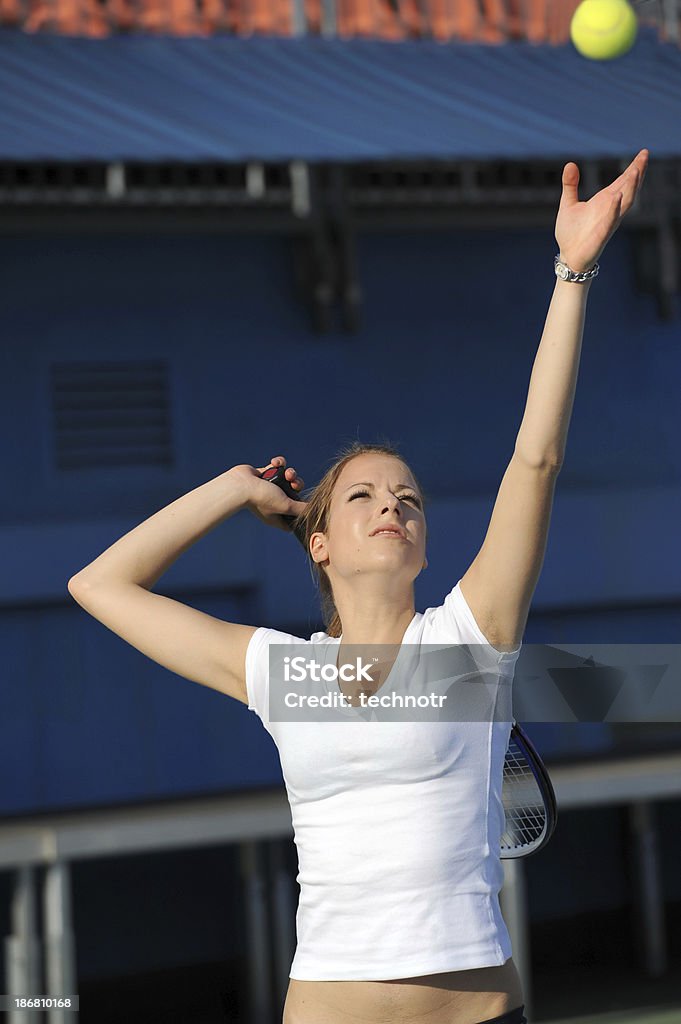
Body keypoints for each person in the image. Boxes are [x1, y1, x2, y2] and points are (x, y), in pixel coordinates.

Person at [67, 149, 648, 1024]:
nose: (392, 506)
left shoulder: (467, 641)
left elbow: (536, 458)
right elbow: (99, 584)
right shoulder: (280, 672)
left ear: (421, 543)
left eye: (408, 499)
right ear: (321, 543)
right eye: (364, 496)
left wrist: (572, 272)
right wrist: (233, 488)